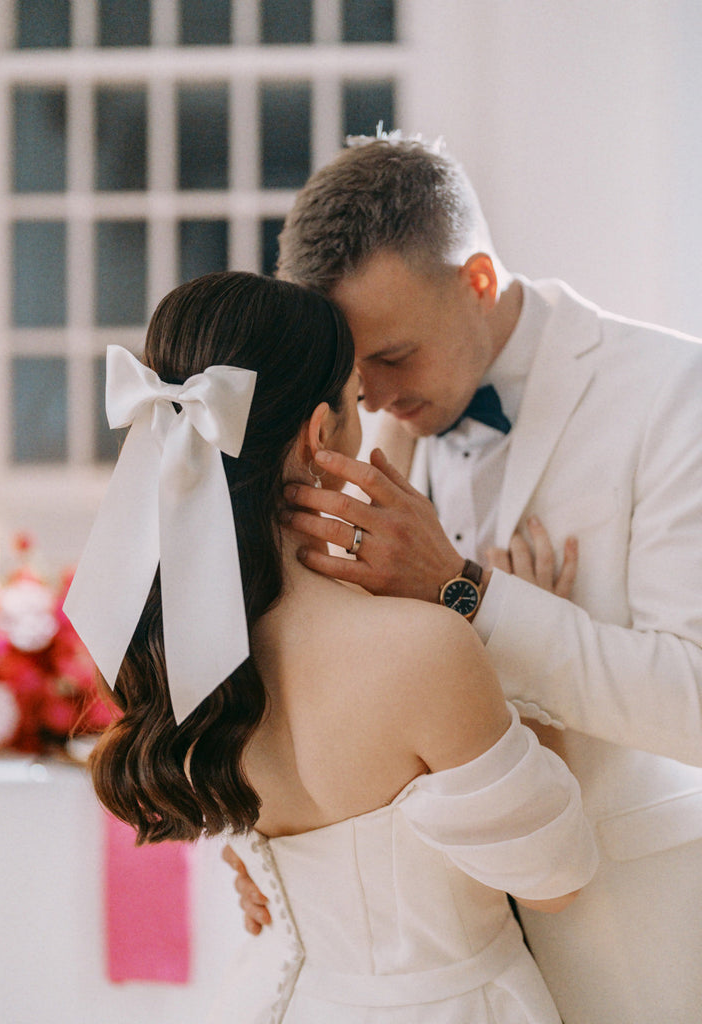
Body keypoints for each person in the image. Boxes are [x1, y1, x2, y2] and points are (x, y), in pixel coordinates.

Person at [230, 132, 702, 1023]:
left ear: (477, 280)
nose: (367, 398)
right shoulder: (364, 429)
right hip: (446, 963)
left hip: (631, 937)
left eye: (395, 356)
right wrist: (263, 846)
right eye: (351, 370)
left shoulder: (675, 393)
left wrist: (467, 594)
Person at [63, 271, 597, 1023]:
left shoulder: (178, 651)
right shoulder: (422, 648)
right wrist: (522, 633)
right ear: (320, 435)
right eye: (354, 399)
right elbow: (557, 877)